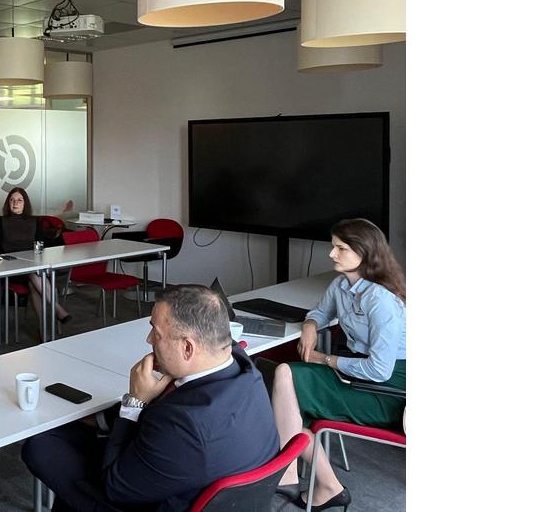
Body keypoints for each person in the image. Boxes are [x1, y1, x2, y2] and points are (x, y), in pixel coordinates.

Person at [22, 284, 279, 511]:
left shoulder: (185, 425)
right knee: (65, 433)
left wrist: (134, 403)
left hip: (155, 496)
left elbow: (115, 489)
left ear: (187, 347)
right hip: (198, 474)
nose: (149, 340)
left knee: (41, 448)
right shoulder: (244, 368)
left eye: (156, 332)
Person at [272, 218, 406, 510]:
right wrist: (310, 325)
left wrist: (325, 359)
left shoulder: (381, 300)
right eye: (333, 246)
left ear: (365, 253)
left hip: (389, 388)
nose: (332, 254)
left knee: (287, 383)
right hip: (358, 373)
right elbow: (321, 311)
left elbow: (380, 370)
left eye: (341, 248)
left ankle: (302, 477)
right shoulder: (342, 285)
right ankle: (302, 477)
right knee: (286, 382)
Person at [0, 187, 70, 326]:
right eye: (12, 200)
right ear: (8, 203)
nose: (15, 203)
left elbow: (40, 245)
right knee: (35, 275)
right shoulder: (0, 222)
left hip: (32, 266)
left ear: (25, 203)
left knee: (34, 280)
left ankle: (42, 328)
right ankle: (57, 308)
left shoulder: (35, 221)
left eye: (19, 200)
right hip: (10, 268)